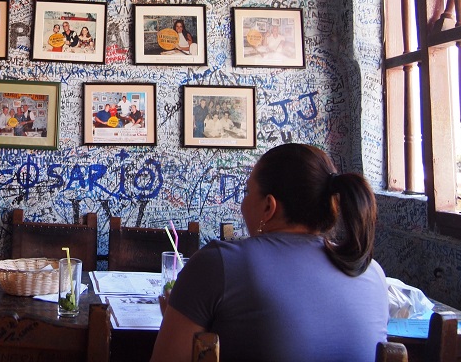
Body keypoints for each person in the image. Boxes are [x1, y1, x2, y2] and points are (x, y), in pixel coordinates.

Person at [151, 143, 387, 362]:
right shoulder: (370, 271)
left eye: (247, 192)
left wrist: (176, 320)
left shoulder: (218, 263)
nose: (242, 204)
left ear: (268, 206)